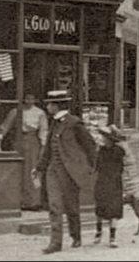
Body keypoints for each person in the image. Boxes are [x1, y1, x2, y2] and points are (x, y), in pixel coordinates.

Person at [34, 90, 98, 254]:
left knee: (71, 206)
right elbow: (48, 148)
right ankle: (55, 243)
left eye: (49, 104)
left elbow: (90, 146)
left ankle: (76, 236)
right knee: (54, 206)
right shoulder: (54, 122)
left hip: (70, 172)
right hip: (53, 171)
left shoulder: (74, 123)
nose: (47, 106)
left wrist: (92, 168)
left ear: (57, 106)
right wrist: (39, 167)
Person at [0, 92, 48, 210]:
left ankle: (34, 201)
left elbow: (43, 129)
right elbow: (5, 127)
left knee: (33, 170)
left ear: (35, 100)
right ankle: (18, 200)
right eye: (27, 99)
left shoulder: (39, 113)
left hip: (32, 141)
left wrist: (43, 145)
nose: (29, 101)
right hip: (18, 140)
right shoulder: (16, 111)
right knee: (18, 169)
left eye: (31, 99)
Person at [93, 125, 126, 248]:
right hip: (102, 182)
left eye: (105, 137)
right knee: (100, 208)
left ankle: (112, 238)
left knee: (114, 210)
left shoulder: (118, 151)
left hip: (114, 183)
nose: (103, 139)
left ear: (110, 139)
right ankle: (98, 232)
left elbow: (121, 169)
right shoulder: (100, 151)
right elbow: (96, 166)